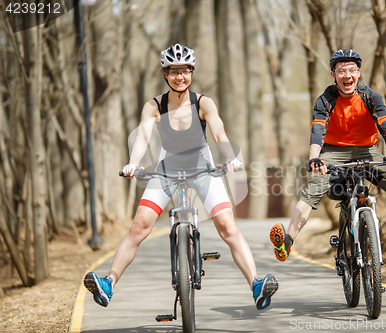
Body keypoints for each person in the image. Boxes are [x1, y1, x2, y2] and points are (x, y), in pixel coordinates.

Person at [84, 44, 278, 310]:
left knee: (228, 227)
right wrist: (133, 163)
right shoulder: (154, 106)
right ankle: (108, 283)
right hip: (167, 170)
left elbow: (219, 132)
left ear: (192, 72)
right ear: (165, 74)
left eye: (185, 71)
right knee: (139, 226)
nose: (180, 77)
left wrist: (231, 157)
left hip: (202, 168)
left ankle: (256, 284)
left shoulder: (203, 102)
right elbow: (142, 136)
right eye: (174, 72)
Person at [270, 49, 386, 262]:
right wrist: (315, 158)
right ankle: (287, 242)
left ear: (359, 73)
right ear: (333, 74)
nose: (348, 75)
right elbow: (317, 131)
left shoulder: (370, 97)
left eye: (352, 70)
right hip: (334, 151)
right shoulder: (325, 99)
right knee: (313, 190)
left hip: (368, 151)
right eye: (342, 71)